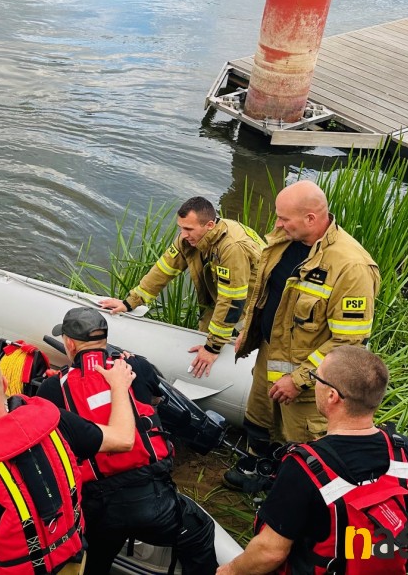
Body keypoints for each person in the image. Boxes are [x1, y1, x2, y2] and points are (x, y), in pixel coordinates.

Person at [0, 349, 138, 575]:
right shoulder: (56, 422)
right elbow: (124, 439)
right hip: (71, 563)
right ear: (4, 383)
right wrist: (119, 386)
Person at [218, 346, 408, 575]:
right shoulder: (401, 448)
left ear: (332, 395)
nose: (314, 383)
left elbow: (269, 552)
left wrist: (229, 570)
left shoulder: (303, 466)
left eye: (316, 377)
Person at [35, 307, 217, 575]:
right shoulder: (137, 367)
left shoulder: (52, 388)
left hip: (97, 506)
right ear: (105, 340)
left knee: (94, 561)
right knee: (200, 531)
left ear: (70, 344)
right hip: (152, 497)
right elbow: (157, 398)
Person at [226, 180, 380, 493]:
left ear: (311, 218)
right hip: (270, 353)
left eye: (284, 218)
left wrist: (298, 380)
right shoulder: (284, 240)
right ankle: (258, 468)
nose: (277, 223)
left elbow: (348, 342)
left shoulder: (351, 266)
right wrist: (249, 331)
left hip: (311, 375)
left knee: (301, 438)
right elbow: (264, 290)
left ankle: (293, 491)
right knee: (260, 417)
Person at [100, 196, 265, 379]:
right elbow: (163, 270)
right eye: (181, 228)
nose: (183, 234)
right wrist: (130, 302)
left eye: (188, 229)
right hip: (222, 296)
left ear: (209, 225)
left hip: (259, 302)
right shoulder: (190, 240)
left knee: (250, 342)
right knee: (205, 331)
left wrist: (212, 348)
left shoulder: (232, 248)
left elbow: (233, 301)